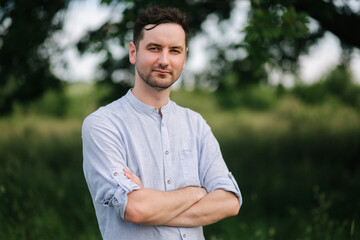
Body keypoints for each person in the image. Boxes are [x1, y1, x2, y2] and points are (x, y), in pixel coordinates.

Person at [82, 6, 242, 240]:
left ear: (184, 57)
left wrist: (152, 206)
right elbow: (135, 209)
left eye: (174, 50)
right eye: (154, 48)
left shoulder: (195, 124)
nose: (164, 60)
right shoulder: (103, 124)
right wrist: (196, 193)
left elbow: (229, 202)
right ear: (133, 52)